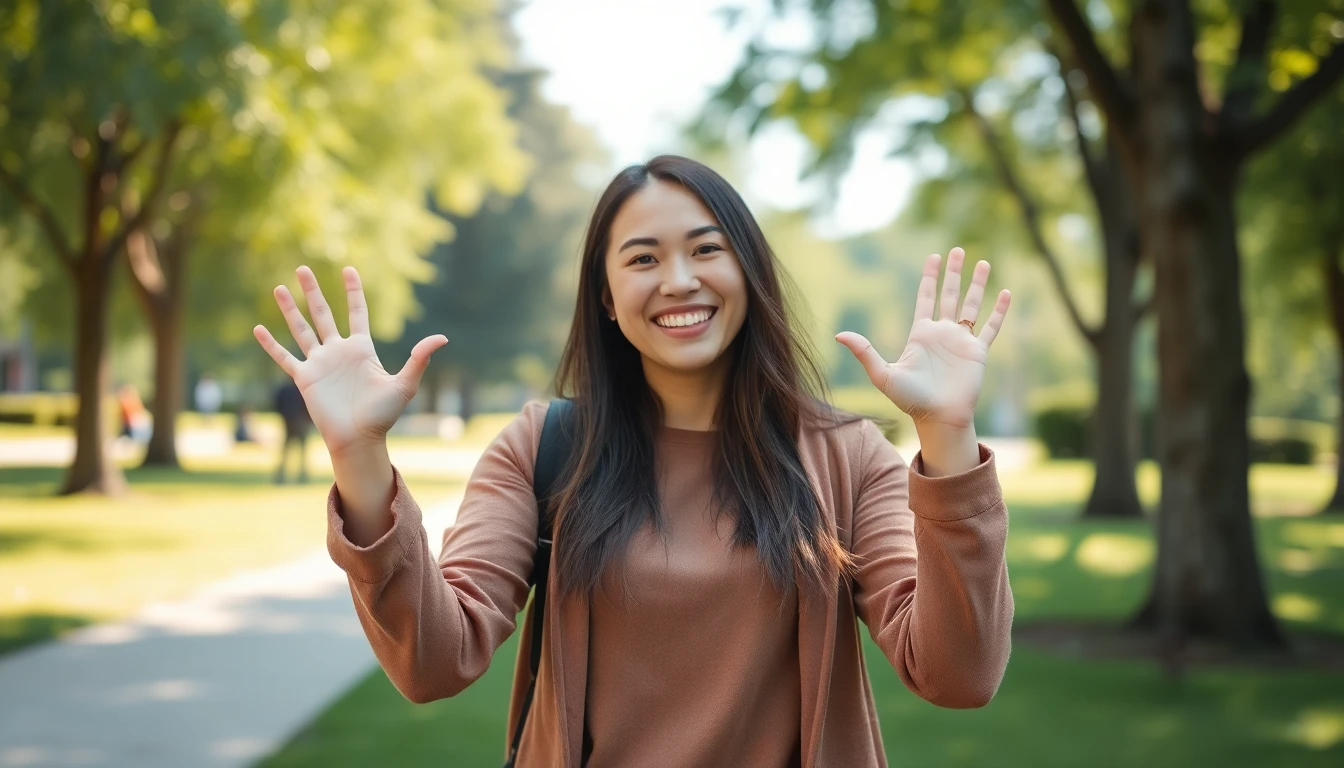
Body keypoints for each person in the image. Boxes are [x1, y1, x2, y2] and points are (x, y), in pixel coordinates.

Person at [253, 156, 1015, 768]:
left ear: (748, 272)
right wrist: (359, 456)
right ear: (610, 300)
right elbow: (432, 663)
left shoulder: (846, 456)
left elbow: (958, 675)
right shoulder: (540, 448)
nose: (679, 280)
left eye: (706, 249)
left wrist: (947, 437)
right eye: (643, 258)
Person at [272, 380, 311, 484]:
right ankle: (301, 476)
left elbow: (278, 405)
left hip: (291, 422)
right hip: (299, 423)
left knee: (289, 452)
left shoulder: (286, 389)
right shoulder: (303, 388)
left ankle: (283, 476)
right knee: (300, 451)